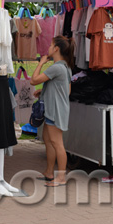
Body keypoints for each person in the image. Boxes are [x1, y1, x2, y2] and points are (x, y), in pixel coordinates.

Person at [30, 35, 74, 187]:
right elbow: (66, 90)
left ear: (56, 49)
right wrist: (44, 91)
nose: (48, 48)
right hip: (56, 109)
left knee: (57, 143)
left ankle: (61, 177)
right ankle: (49, 172)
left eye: (50, 45)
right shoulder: (65, 67)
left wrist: (41, 63)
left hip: (55, 111)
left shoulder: (56, 67)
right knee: (48, 140)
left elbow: (33, 80)